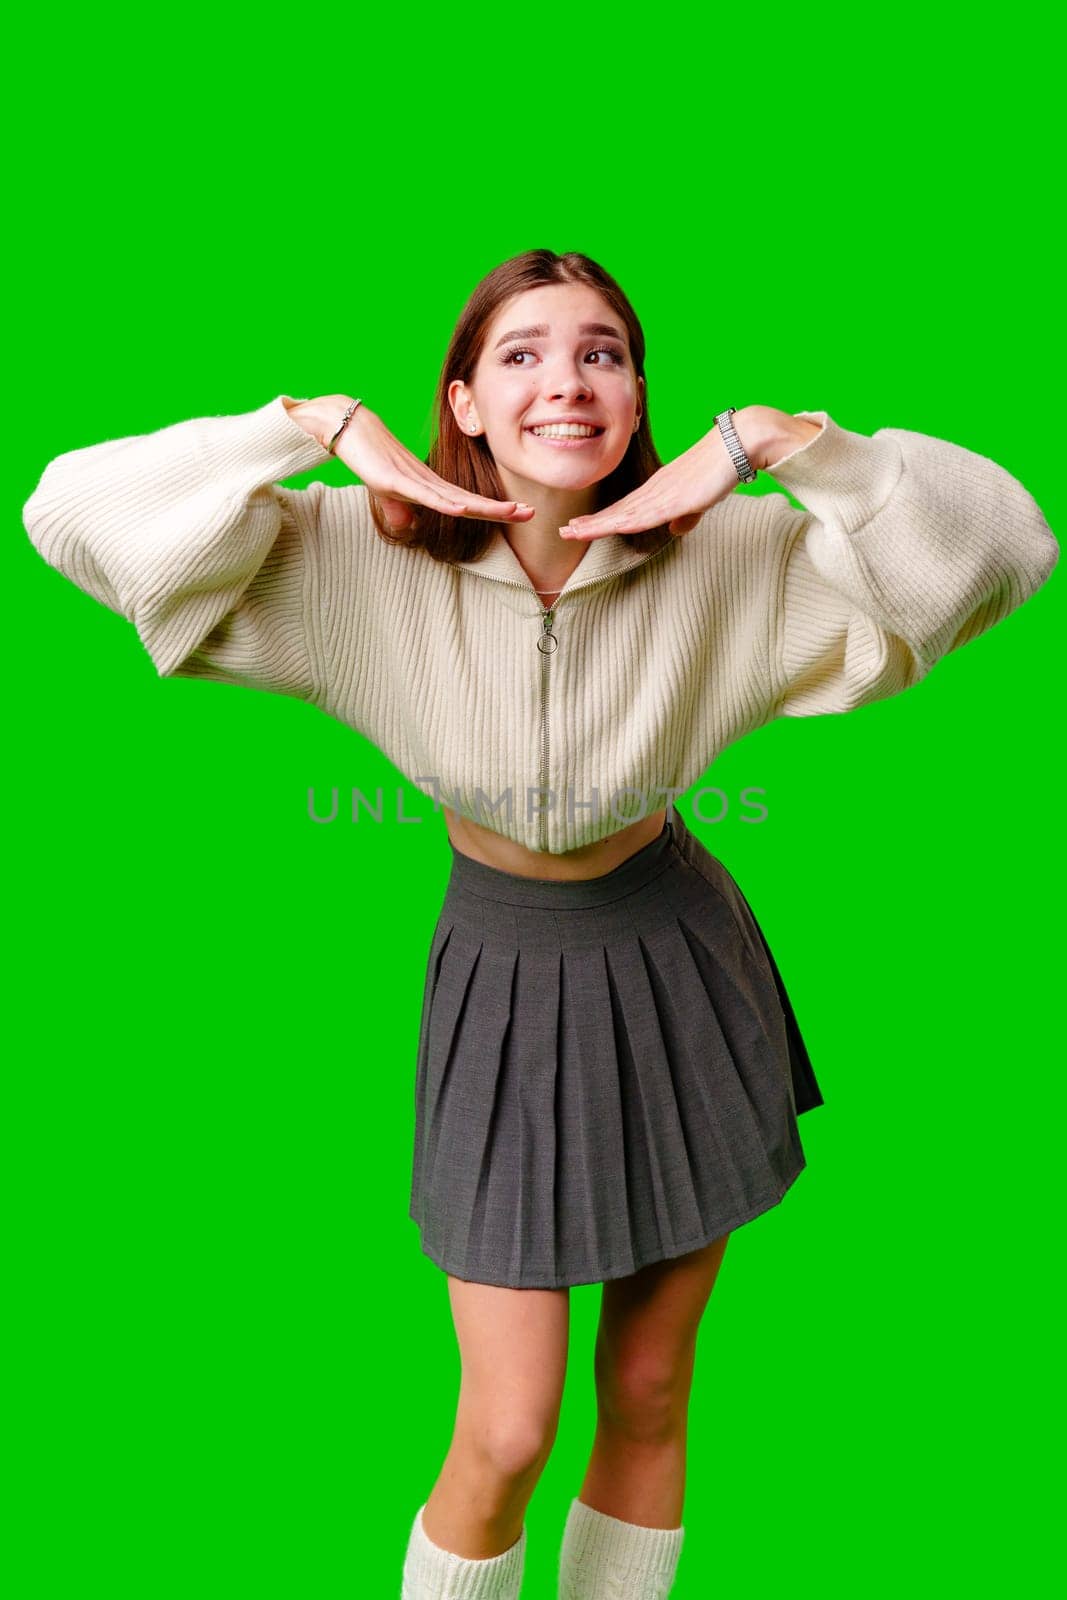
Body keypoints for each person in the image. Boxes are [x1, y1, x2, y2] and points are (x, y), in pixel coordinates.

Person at [22, 248, 1059, 1600]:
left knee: (645, 1386)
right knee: (505, 1428)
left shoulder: (735, 554)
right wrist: (313, 430)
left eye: (601, 354)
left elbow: (1008, 547)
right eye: (520, 355)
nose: (564, 381)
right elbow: (70, 513)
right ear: (461, 398)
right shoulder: (347, 556)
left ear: (636, 403)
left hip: (678, 962)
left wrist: (781, 446)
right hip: (505, 976)